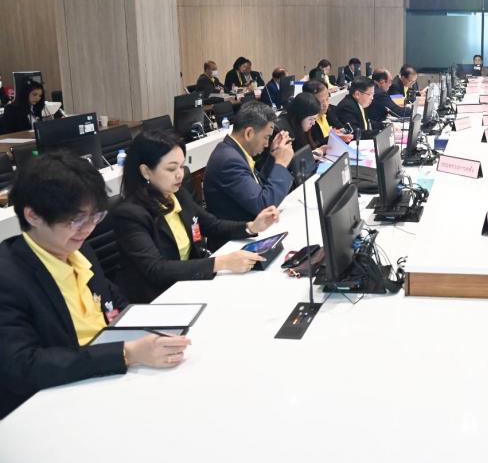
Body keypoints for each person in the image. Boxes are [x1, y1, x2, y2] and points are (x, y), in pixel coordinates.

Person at [0, 152, 191, 418]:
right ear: (33, 216)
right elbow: (23, 366)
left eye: (96, 216)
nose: (88, 228)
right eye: (76, 220)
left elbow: (113, 299)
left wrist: (151, 328)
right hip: (54, 403)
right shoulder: (9, 276)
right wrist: (126, 353)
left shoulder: (78, 249)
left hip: (110, 378)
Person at [113, 131, 279, 303]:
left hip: (189, 285)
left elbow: (211, 225)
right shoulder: (129, 215)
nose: (180, 174)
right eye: (171, 168)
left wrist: (251, 226)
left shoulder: (176, 194)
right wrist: (221, 262)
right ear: (146, 171)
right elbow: (157, 269)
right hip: (158, 298)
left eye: (181, 166)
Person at [203, 101, 294, 222]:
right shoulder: (229, 161)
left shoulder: (233, 150)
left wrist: (273, 156)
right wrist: (281, 164)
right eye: (266, 137)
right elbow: (265, 206)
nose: (267, 144)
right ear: (249, 133)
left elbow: (258, 186)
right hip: (239, 231)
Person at [302, 80, 351, 147]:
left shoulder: (329, 110)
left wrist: (341, 132)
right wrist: (333, 138)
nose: (325, 105)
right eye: (321, 102)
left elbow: (339, 126)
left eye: (327, 99)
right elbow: (314, 146)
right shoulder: (307, 122)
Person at [281, 93, 326, 158]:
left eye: (315, 119)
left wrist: (316, 152)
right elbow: (290, 161)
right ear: (300, 116)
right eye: (310, 119)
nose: (313, 123)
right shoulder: (286, 133)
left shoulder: (301, 126)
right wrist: (311, 156)